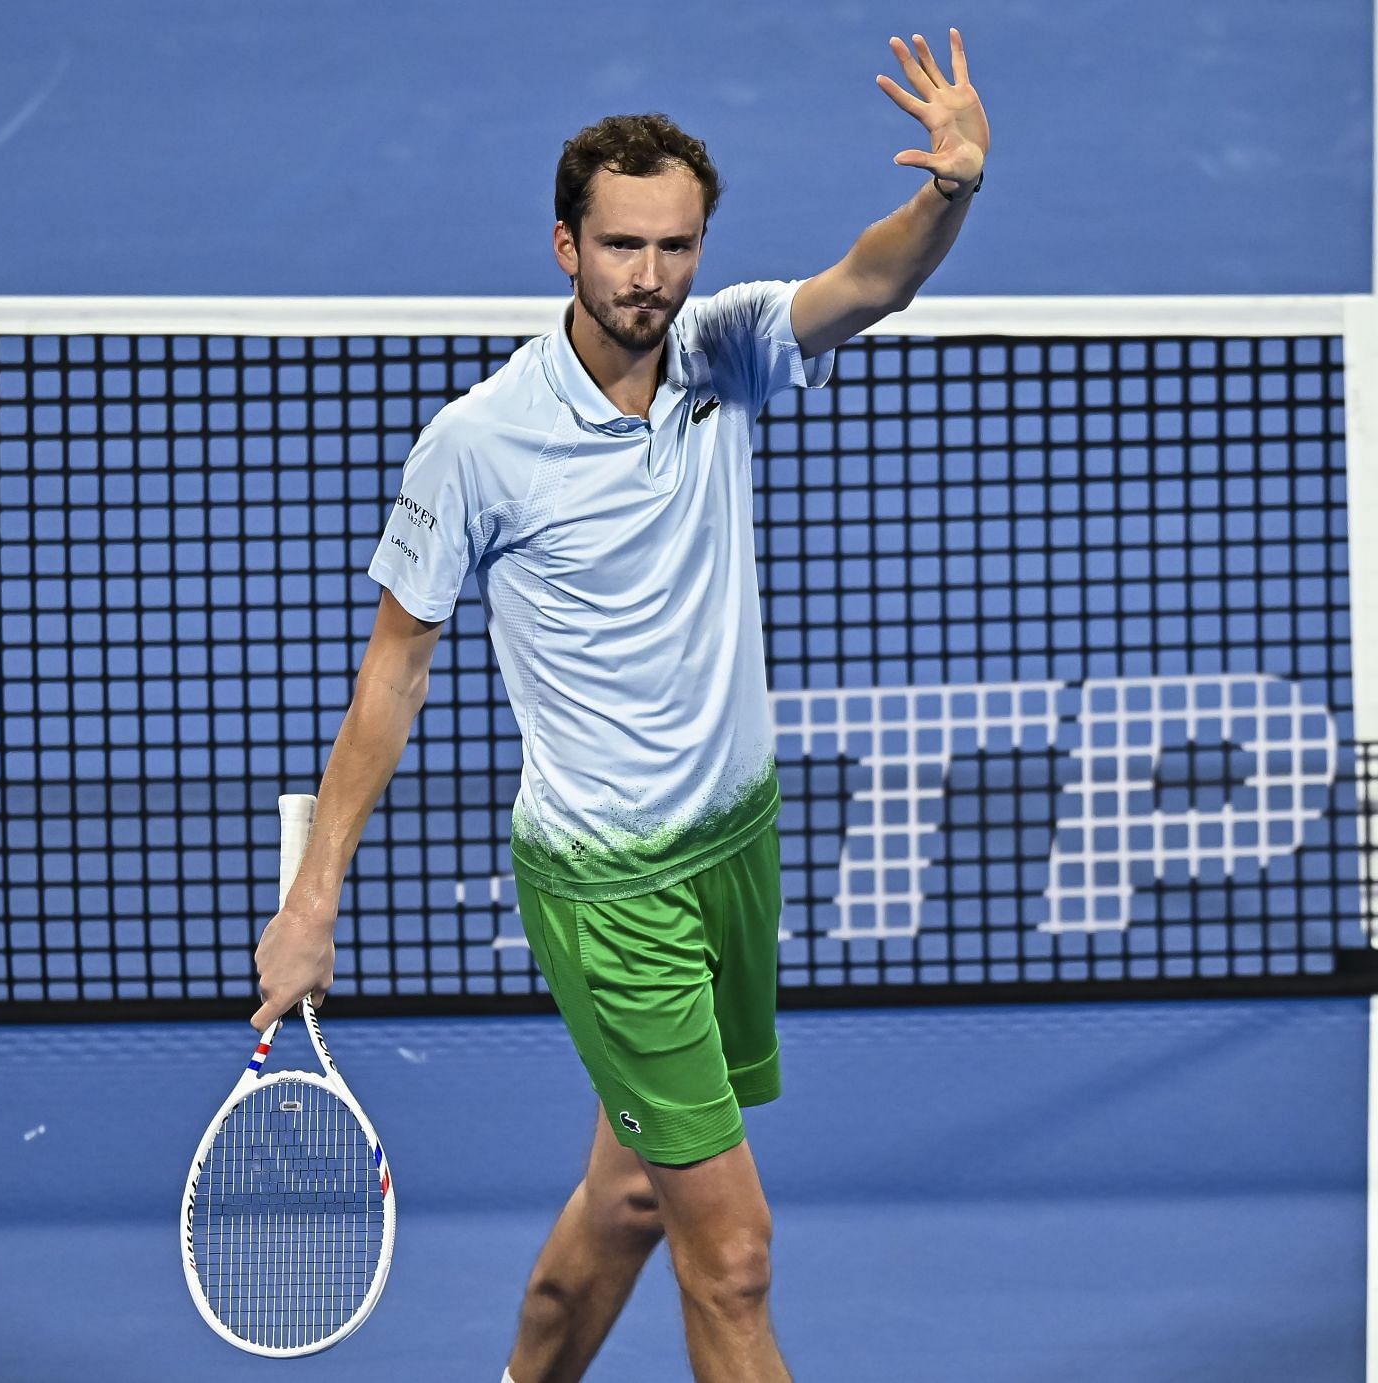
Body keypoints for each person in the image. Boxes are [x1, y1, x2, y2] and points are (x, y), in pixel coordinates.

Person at [250, 27, 989, 1383]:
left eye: (675, 247)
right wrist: (312, 902)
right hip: (610, 891)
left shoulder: (723, 353)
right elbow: (391, 676)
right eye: (622, 246)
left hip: (733, 849)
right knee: (736, 1254)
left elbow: (868, 284)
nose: (650, 277)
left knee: (634, 1199)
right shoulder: (476, 446)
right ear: (564, 249)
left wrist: (950, 187)